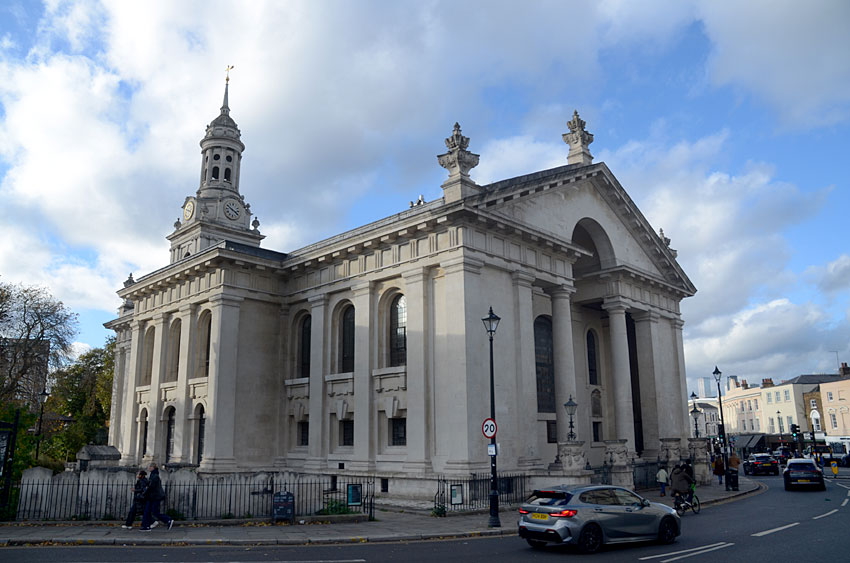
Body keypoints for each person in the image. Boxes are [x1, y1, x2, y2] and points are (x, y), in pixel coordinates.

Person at [140, 463, 174, 532]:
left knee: (154, 512)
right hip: (152, 497)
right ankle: (145, 526)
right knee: (147, 511)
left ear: (153, 467)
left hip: (154, 497)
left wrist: (144, 492)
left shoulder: (154, 476)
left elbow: (151, 487)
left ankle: (168, 520)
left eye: (149, 467)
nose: (148, 468)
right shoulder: (153, 475)